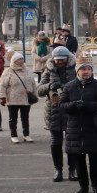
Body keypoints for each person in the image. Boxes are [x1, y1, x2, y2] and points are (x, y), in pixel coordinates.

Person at [61, 58, 97, 193]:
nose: (86, 72)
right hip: (75, 129)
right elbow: (61, 106)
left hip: (93, 128)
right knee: (79, 160)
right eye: (83, 69)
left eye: (89, 69)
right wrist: (74, 105)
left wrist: (87, 105)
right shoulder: (69, 86)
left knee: (95, 160)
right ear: (77, 71)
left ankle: (96, 186)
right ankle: (83, 186)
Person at [37, 46, 76, 181]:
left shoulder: (75, 68)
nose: (59, 62)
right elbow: (39, 90)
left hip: (70, 108)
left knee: (72, 142)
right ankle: (58, 170)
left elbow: (82, 84)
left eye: (62, 59)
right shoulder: (48, 70)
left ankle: (72, 170)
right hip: (53, 110)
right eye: (57, 60)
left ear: (67, 58)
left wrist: (68, 88)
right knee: (55, 142)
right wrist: (49, 86)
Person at [0, 52, 37, 144]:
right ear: (14, 61)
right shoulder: (8, 71)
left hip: (26, 98)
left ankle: (26, 135)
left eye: (22, 59)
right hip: (13, 99)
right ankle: (13, 135)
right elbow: (2, 85)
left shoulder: (27, 70)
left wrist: (34, 95)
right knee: (13, 118)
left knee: (25, 118)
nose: (22, 60)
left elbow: (33, 83)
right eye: (19, 59)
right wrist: (2, 97)